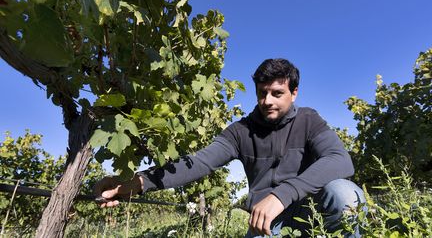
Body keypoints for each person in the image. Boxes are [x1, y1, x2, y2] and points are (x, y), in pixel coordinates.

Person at [94, 58, 365, 237]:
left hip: (308, 210)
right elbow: (197, 163)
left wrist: (282, 194)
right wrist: (137, 183)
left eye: (277, 93)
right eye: (262, 93)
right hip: (266, 222)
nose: (267, 100)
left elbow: (341, 160)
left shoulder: (308, 119)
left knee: (346, 194)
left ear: (294, 93)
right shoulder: (240, 131)